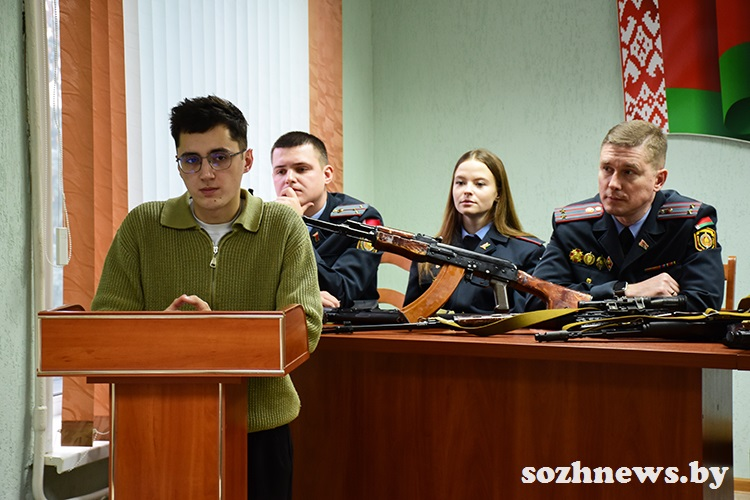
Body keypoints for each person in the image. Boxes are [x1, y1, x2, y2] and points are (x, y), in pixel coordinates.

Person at [90, 96, 322, 500]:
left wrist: (211, 333)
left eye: (220, 157)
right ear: (179, 163)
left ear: (247, 160)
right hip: (160, 427)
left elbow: (305, 329)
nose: (206, 173)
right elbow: (105, 330)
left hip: (259, 429)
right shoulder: (143, 226)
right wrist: (161, 330)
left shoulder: (283, 225)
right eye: (191, 160)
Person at [527, 119, 724, 312]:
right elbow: (537, 300)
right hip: (588, 335)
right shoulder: (573, 226)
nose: (613, 183)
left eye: (628, 172)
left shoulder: (687, 222)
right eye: (607, 169)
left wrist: (594, 299)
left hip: (660, 335)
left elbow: (704, 302)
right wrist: (623, 291)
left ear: (658, 180)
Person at [403, 148, 545, 314]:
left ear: (498, 193)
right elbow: (410, 318)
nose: (467, 191)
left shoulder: (526, 252)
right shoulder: (428, 253)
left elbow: (530, 320)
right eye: (460, 183)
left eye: (479, 184)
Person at [271, 131, 384, 309]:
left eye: (301, 169)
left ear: (327, 175)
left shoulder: (361, 219)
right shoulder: (267, 221)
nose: (289, 179)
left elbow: (344, 292)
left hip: (350, 321)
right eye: (281, 171)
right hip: (288, 318)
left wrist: (296, 227)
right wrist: (302, 297)